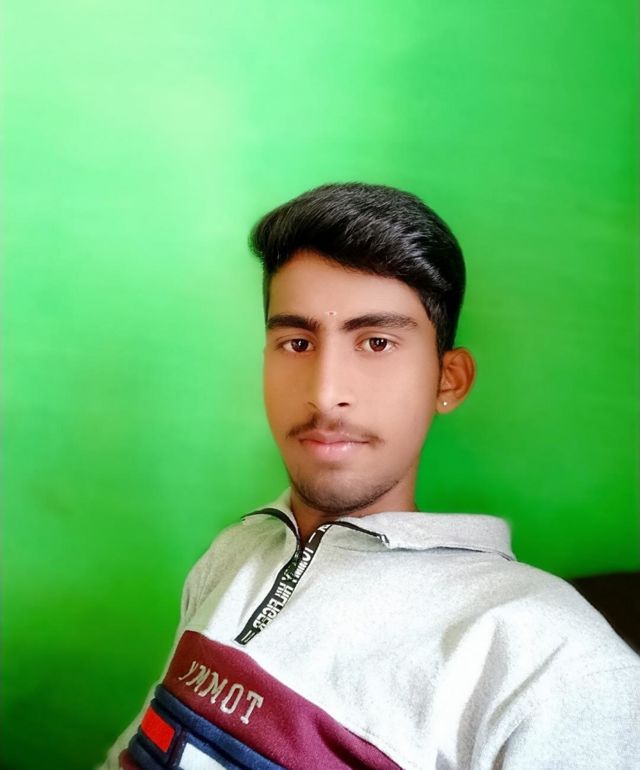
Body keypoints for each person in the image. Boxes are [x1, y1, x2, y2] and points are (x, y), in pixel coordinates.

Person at [97, 182, 640, 770]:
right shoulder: (234, 553)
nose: (325, 393)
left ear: (448, 380)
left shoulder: (552, 662)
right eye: (296, 342)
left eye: (377, 342)